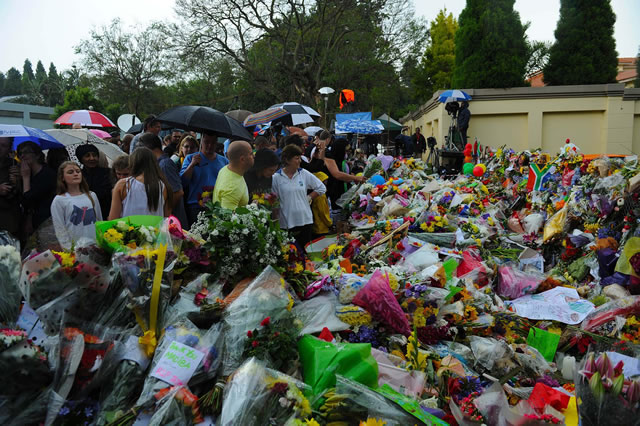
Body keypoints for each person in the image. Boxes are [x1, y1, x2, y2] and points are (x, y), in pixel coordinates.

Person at [272, 144, 326, 249]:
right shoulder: (276, 178)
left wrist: (309, 197)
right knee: (290, 255)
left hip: (305, 220)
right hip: (286, 223)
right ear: (287, 160)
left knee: (305, 254)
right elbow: (275, 202)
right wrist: (275, 224)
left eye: (300, 158)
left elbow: (321, 188)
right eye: (297, 158)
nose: (300, 161)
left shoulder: (304, 174)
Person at [138, 132, 188, 226]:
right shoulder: (158, 164)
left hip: (173, 222)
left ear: (147, 149)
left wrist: (164, 212)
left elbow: (178, 192)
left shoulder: (165, 165)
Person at [180, 131, 229, 225]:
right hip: (195, 207)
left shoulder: (224, 161)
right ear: (201, 142)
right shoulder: (191, 158)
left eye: (213, 143)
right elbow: (183, 182)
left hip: (217, 207)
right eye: (206, 142)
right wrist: (192, 165)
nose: (210, 145)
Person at [50, 161, 102, 249]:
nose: (75, 174)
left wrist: (101, 243)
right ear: (62, 177)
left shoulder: (92, 195)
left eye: (78, 171)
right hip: (75, 249)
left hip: (95, 246)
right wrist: (69, 249)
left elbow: (99, 221)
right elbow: (60, 229)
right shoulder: (59, 200)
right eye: (70, 172)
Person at [109, 147, 171, 219]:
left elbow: (112, 219)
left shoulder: (122, 185)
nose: (121, 176)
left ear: (132, 163)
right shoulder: (164, 186)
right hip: (156, 229)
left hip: (129, 229)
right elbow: (167, 220)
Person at [308, 130, 364, 209]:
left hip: (322, 190)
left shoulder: (316, 152)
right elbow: (336, 174)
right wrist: (355, 178)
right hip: (328, 191)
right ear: (328, 139)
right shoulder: (327, 155)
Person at [17, 141, 57, 233]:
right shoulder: (28, 173)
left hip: (47, 221)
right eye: (20, 153)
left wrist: (25, 177)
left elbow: (28, 200)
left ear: (37, 155)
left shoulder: (48, 174)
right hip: (32, 222)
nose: (22, 156)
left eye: (26, 152)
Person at [212, 140, 254, 210]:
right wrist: (252, 209)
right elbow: (227, 219)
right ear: (242, 159)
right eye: (251, 154)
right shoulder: (232, 188)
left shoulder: (225, 169)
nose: (254, 156)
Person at [76, 144, 113, 220]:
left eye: (94, 155)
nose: (92, 158)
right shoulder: (78, 175)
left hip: (106, 213)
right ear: (81, 159)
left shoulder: (108, 173)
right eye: (87, 156)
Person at [0, 137, 20, 237]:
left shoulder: (13, 165)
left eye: (3, 146)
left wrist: (17, 182)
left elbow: (20, 195)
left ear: (9, 149)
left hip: (9, 219)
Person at [311, 171, 333, 237]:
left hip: (319, 227)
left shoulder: (318, 193)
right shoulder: (321, 195)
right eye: (325, 180)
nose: (326, 182)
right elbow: (322, 212)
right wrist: (330, 223)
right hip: (321, 228)